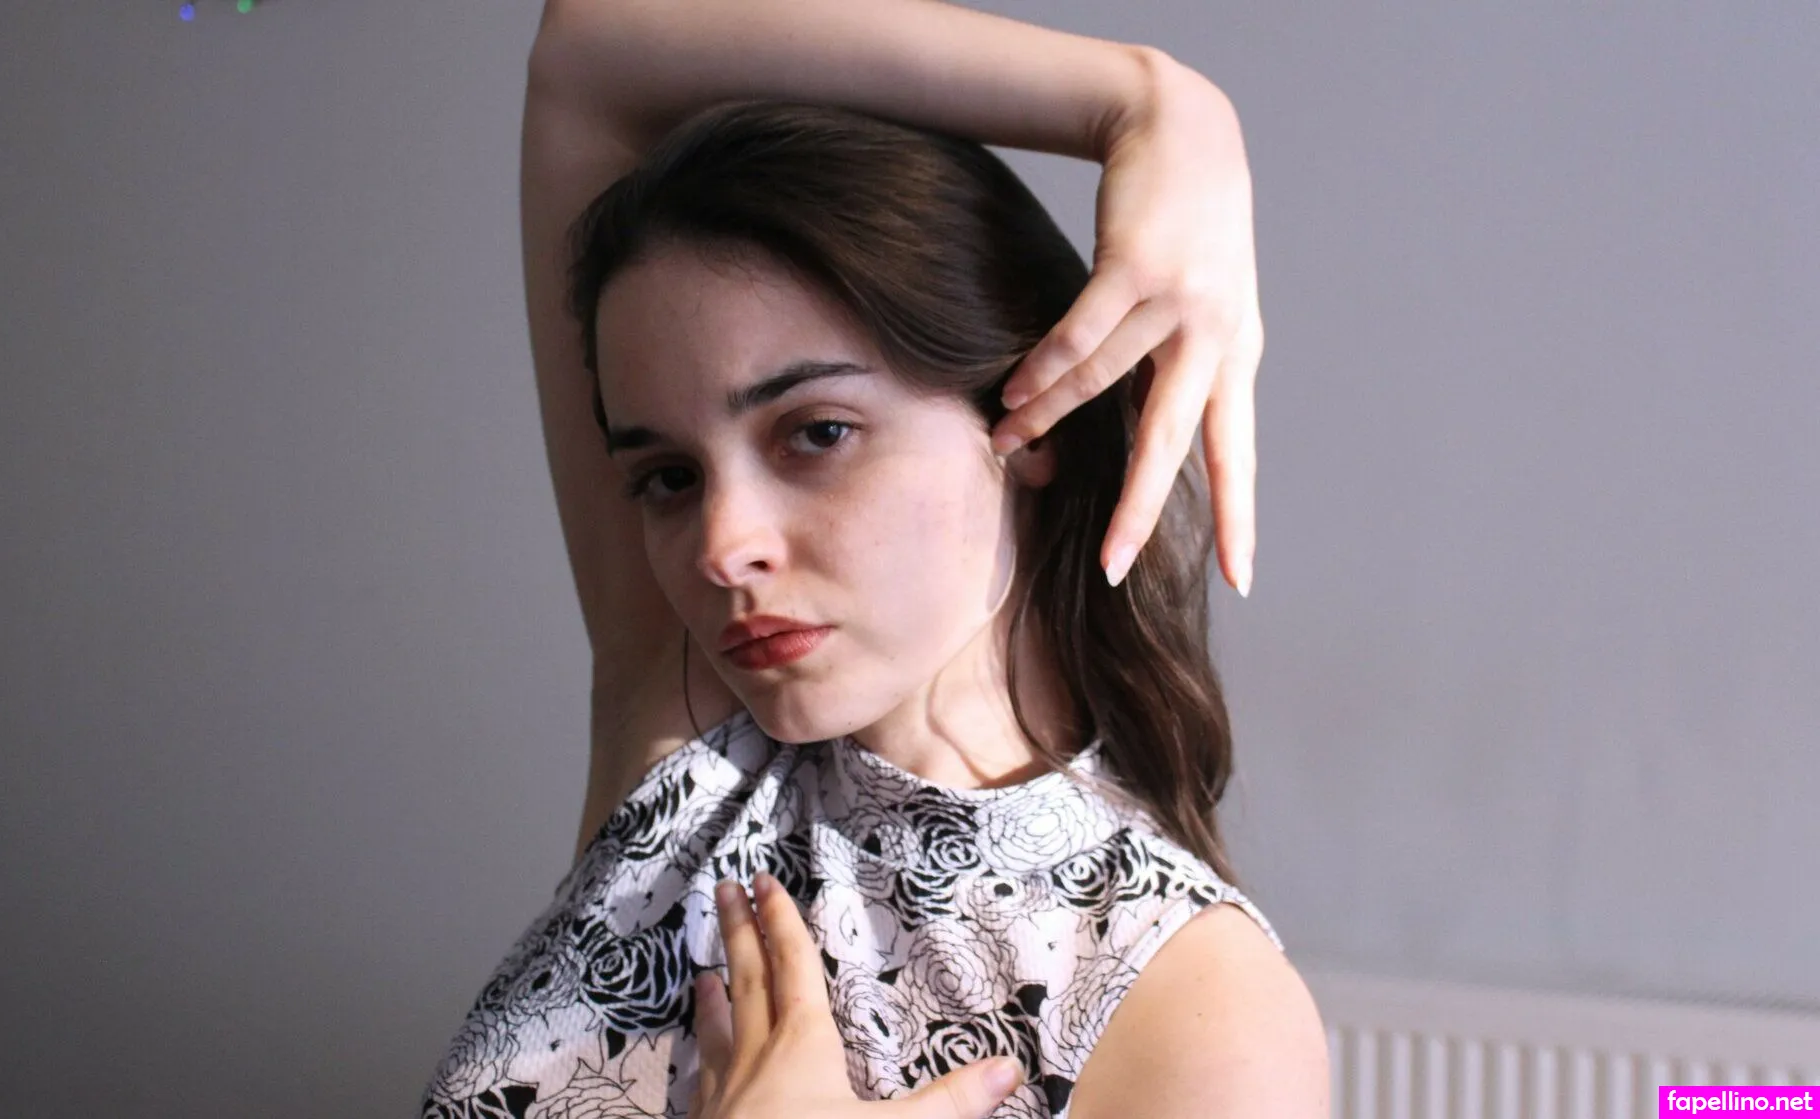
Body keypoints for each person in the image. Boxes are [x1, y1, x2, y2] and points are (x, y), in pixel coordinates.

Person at [423, 1, 1327, 1116]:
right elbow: (589, 53)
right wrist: (1152, 104)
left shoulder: (1193, 1005)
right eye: (668, 477)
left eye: (816, 433)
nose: (721, 549)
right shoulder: (693, 745)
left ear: (1030, 420)